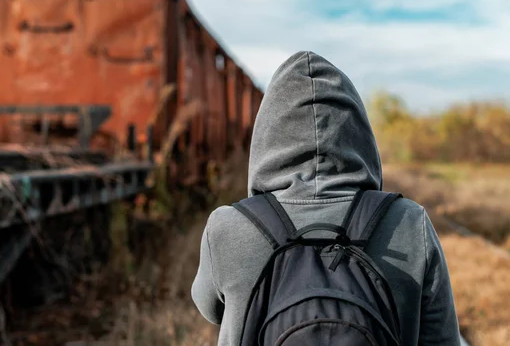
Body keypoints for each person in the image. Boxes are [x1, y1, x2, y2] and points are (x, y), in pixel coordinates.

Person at [191, 51, 461, 345]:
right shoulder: (410, 221)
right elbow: (442, 337)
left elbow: (210, 308)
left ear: (266, 135)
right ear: (358, 131)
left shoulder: (227, 227)